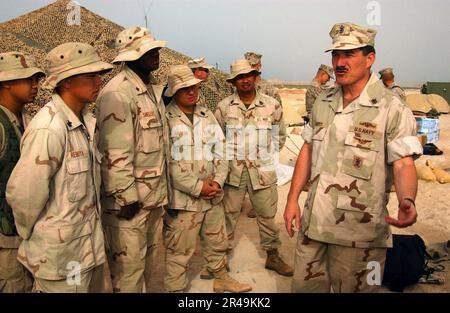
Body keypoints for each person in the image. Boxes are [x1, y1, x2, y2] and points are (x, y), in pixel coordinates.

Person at [284, 22, 423, 293]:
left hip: (360, 238)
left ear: (370, 58)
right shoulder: (323, 102)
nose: (340, 62)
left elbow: (404, 162)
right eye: (335, 55)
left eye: (349, 54)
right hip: (313, 228)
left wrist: (407, 200)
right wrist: (292, 200)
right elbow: (308, 150)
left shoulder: (391, 108)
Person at [6, 43, 113, 292]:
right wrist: (39, 236)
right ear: (66, 82)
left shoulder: (83, 121)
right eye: (91, 75)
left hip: (87, 252)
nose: (99, 81)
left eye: (99, 75)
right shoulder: (49, 128)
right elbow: (23, 195)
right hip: (61, 260)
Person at [163, 65, 252, 293]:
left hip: (212, 196)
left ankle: (221, 277)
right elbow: (166, 163)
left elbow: (222, 150)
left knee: (217, 242)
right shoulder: (165, 119)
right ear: (174, 92)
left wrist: (218, 182)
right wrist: (197, 187)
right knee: (179, 253)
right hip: (184, 202)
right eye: (185, 89)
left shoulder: (206, 115)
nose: (192, 92)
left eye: (194, 87)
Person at [96, 26, 171, 293]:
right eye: (147, 50)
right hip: (130, 205)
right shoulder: (119, 93)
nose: (156, 54)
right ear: (129, 56)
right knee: (128, 274)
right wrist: (126, 197)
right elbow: (114, 152)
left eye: (155, 49)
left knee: (148, 265)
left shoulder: (148, 89)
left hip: (150, 198)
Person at [214, 59, 293, 277]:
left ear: (255, 76)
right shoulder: (223, 107)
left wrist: (264, 157)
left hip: (263, 173)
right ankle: (221, 257)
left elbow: (281, 135)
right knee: (227, 216)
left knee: (267, 216)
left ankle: (273, 256)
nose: (245, 80)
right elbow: (217, 139)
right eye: (240, 77)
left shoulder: (271, 105)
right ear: (233, 81)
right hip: (234, 174)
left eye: (248, 75)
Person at [0, 51, 44, 292]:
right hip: (6, 240)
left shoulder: (28, 119)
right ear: (6, 82)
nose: (35, 85)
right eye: (28, 79)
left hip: (26, 234)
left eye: (37, 79)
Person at [244, 51, 281, 219]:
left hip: (263, 143)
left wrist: (273, 148)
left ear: (259, 67)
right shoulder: (240, 85)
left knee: (264, 178)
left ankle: (262, 206)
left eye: (253, 67)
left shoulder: (269, 90)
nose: (250, 71)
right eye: (248, 66)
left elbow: (278, 122)